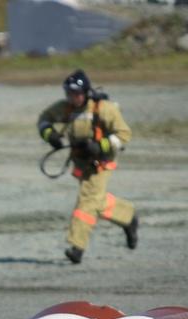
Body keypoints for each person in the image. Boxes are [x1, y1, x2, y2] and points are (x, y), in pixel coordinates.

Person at [37, 69, 138, 264]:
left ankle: (77, 247)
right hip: (81, 163)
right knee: (96, 201)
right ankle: (128, 216)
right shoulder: (65, 108)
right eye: (69, 93)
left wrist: (100, 146)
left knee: (87, 202)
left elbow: (124, 134)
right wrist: (50, 135)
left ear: (85, 92)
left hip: (101, 163)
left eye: (76, 93)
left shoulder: (104, 109)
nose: (72, 98)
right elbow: (44, 119)